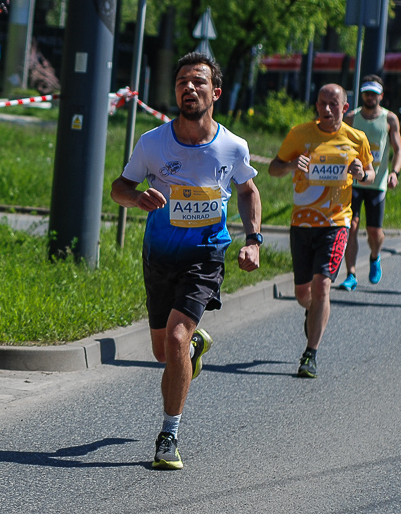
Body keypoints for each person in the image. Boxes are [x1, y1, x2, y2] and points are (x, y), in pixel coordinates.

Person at [111, 52, 262, 471]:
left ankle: (168, 435)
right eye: (181, 82)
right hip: (159, 254)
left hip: (206, 253)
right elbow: (119, 187)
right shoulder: (153, 143)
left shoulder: (232, 146)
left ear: (215, 92)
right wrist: (136, 196)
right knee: (164, 351)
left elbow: (248, 190)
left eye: (198, 81)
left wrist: (254, 240)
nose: (188, 88)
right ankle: (193, 346)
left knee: (175, 339)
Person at [269, 84, 374, 378]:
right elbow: (274, 168)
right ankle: (311, 310)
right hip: (302, 222)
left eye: (332, 104)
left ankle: (310, 354)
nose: (326, 110)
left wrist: (361, 173)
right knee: (303, 292)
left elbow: (370, 171)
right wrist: (291, 165)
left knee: (322, 285)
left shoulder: (356, 138)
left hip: (336, 222)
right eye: (321, 103)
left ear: (345, 108)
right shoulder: (300, 134)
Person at [339, 76, 401, 290]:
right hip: (353, 182)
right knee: (351, 227)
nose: (370, 97)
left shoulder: (389, 118)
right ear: (362, 94)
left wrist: (394, 173)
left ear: (380, 96)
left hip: (377, 183)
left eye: (374, 94)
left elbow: (398, 150)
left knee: (374, 232)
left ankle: (375, 257)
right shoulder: (350, 118)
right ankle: (351, 274)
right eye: (367, 93)